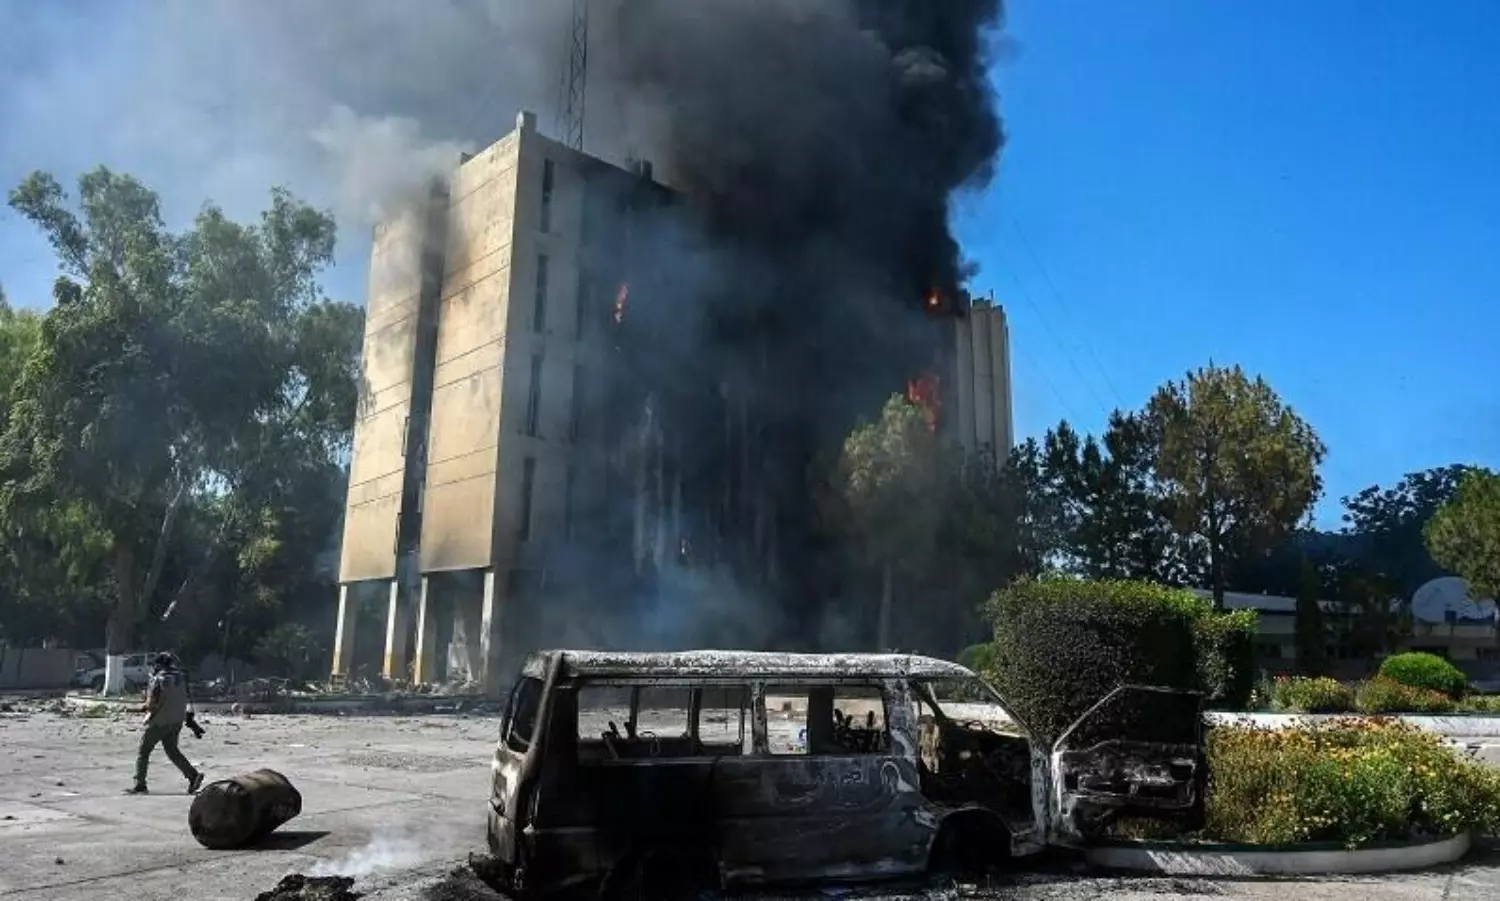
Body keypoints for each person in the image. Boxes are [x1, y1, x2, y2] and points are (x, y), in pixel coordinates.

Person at [126, 653, 204, 795]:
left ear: (158, 665)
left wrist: (141, 709)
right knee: (172, 751)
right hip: (177, 720)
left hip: (160, 721)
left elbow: (152, 704)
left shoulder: (158, 679)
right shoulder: (181, 677)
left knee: (143, 752)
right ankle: (193, 776)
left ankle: (140, 784)